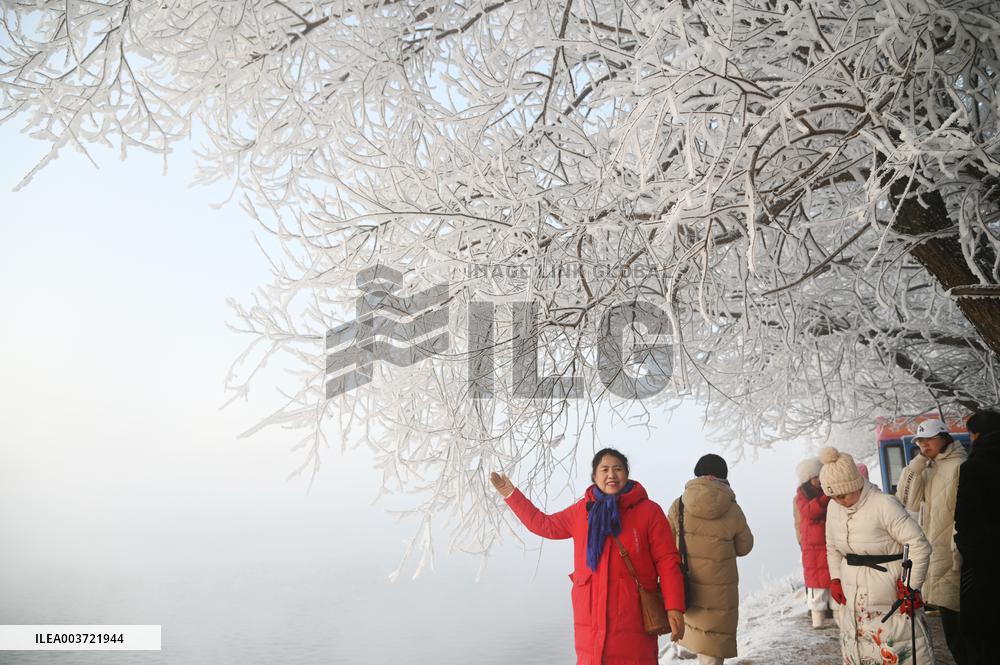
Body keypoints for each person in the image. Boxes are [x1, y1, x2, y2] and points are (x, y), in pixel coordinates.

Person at [490, 448, 686, 665]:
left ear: (626, 474)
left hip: (634, 622)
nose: (611, 475)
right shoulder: (581, 512)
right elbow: (543, 524)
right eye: (604, 469)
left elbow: (667, 561)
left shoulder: (648, 512)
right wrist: (511, 494)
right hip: (590, 626)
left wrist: (674, 607)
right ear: (594, 476)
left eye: (617, 469)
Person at [821, 446, 935, 665]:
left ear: (854, 484)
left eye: (842, 495)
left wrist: (910, 586)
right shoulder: (834, 507)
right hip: (852, 594)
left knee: (898, 650)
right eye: (832, 496)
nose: (838, 501)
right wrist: (835, 577)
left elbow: (919, 545)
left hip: (889, 595)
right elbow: (832, 546)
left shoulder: (884, 504)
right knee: (860, 650)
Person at [667, 454, 753, 665]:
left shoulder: (679, 505)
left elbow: (666, 544)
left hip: (689, 588)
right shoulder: (732, 508)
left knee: (696, 635)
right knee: (713, 648)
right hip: (721, 592)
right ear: (724, 475)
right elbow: (745, 546)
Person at [896, 418, 967, 665]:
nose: (923, 445)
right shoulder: (927, 468)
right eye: (920, 441)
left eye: (928, 439)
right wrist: (917, 464)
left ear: (943, 438)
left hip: (955, 552)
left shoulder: (960, 465)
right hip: (937, 551)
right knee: (951, 623)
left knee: (961, 625)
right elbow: (906, 500)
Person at [954, 410, 1000, 665]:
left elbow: (965, 520)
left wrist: (969, 553)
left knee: (982, 635)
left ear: (978, 434)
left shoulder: (973, 468)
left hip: (984, 567)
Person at [793, 456, 834, 628]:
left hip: (827, 543)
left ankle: (837, 615)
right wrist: (825, 498)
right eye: (815, 477)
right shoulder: (802, 496)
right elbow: (810, 512)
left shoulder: (823, 493)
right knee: (817, 586)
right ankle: (818, 619)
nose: (818, 480)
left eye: (819, 476)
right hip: (813, 546)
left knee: (832, 580)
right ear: (807, 479)